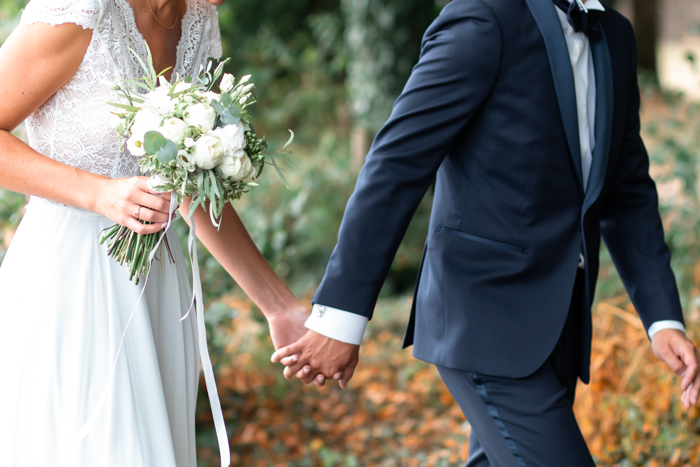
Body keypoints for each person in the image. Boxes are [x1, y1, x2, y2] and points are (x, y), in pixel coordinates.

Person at [273, 0, 700, 464]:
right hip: (482, 319)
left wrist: (662, 320)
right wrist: (340, 318)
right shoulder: (484, 18)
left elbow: (626, 188)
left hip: (561, 321)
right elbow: (396, 166)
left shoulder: (614, 35)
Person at [0, 0, 309, 465]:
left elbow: (190, 184)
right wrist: (96, 193)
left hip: (157, 287)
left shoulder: (199, 20)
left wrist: (278, 306)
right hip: (71, 281)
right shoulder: (77, 11)